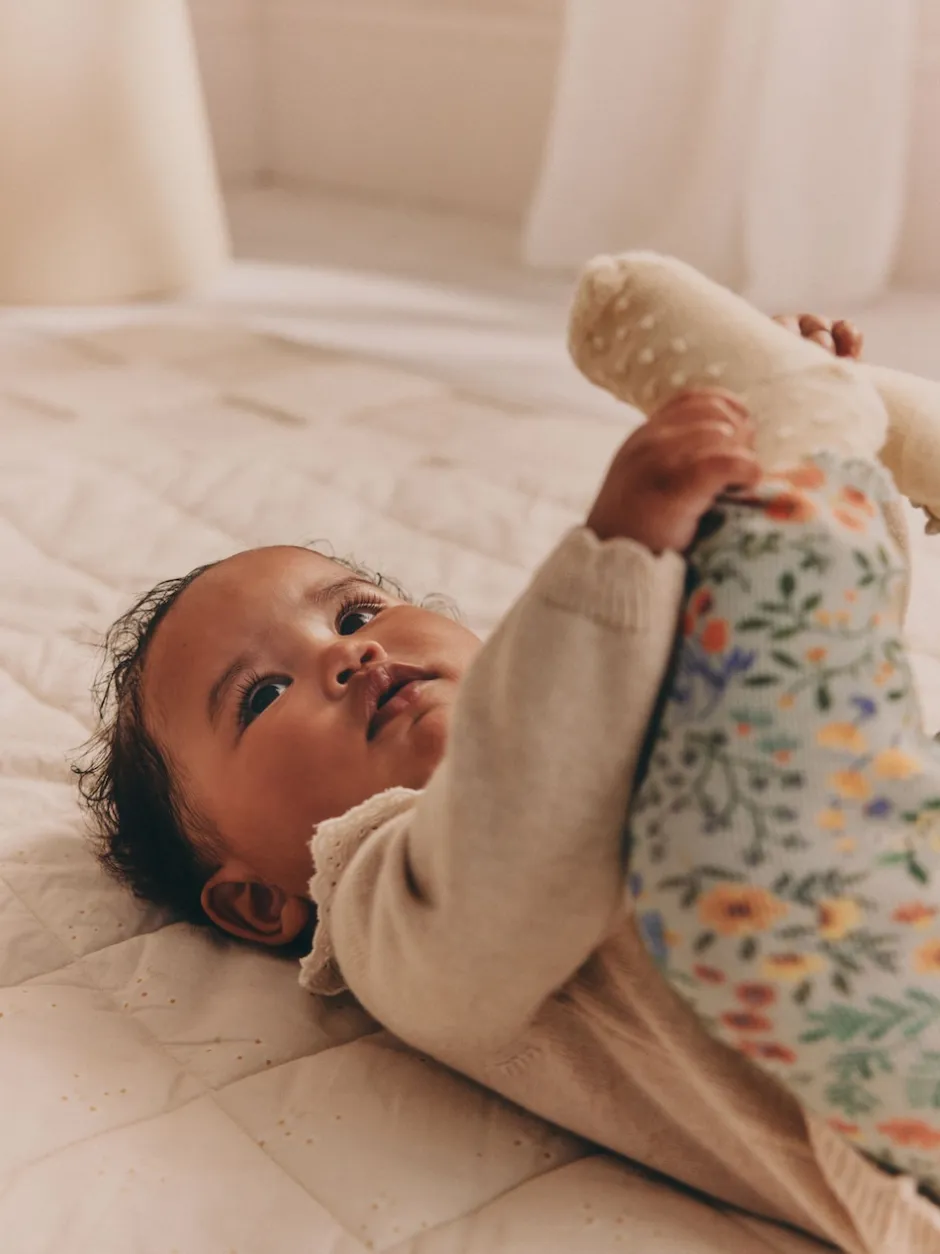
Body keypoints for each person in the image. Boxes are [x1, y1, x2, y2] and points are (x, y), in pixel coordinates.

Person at [77, 261, 940, 1252]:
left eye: (355, 613)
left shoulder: (621, 686)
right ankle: (812, 461)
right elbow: (516, 856)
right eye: (262, 695)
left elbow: (845, 714)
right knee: (744, 804)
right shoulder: (382, 897)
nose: (349, 655)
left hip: (891, 860)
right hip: (879, 1066)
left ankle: (813, 457)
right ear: (259, 903)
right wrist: (617, 551)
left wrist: (754, 475)